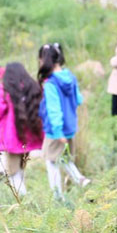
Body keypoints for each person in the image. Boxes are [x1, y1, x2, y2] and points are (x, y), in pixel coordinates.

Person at [38, 43, 90, 199]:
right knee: (64, 158)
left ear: (43, 60)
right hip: (70, 126)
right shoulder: (70, 77)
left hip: (56, 130)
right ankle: (81, 181)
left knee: (51, 161)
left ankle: (58, 197)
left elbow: (54, 110)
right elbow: (79, 99)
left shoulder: (51, 84)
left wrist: (57, 131)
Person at [0, 62, 44, 195]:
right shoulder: (33, 89)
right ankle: (23, 195)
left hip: (12, 138)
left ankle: (22, 198)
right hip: (29, 136)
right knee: (21, 167)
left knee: (12, 171)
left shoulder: (6, 92)